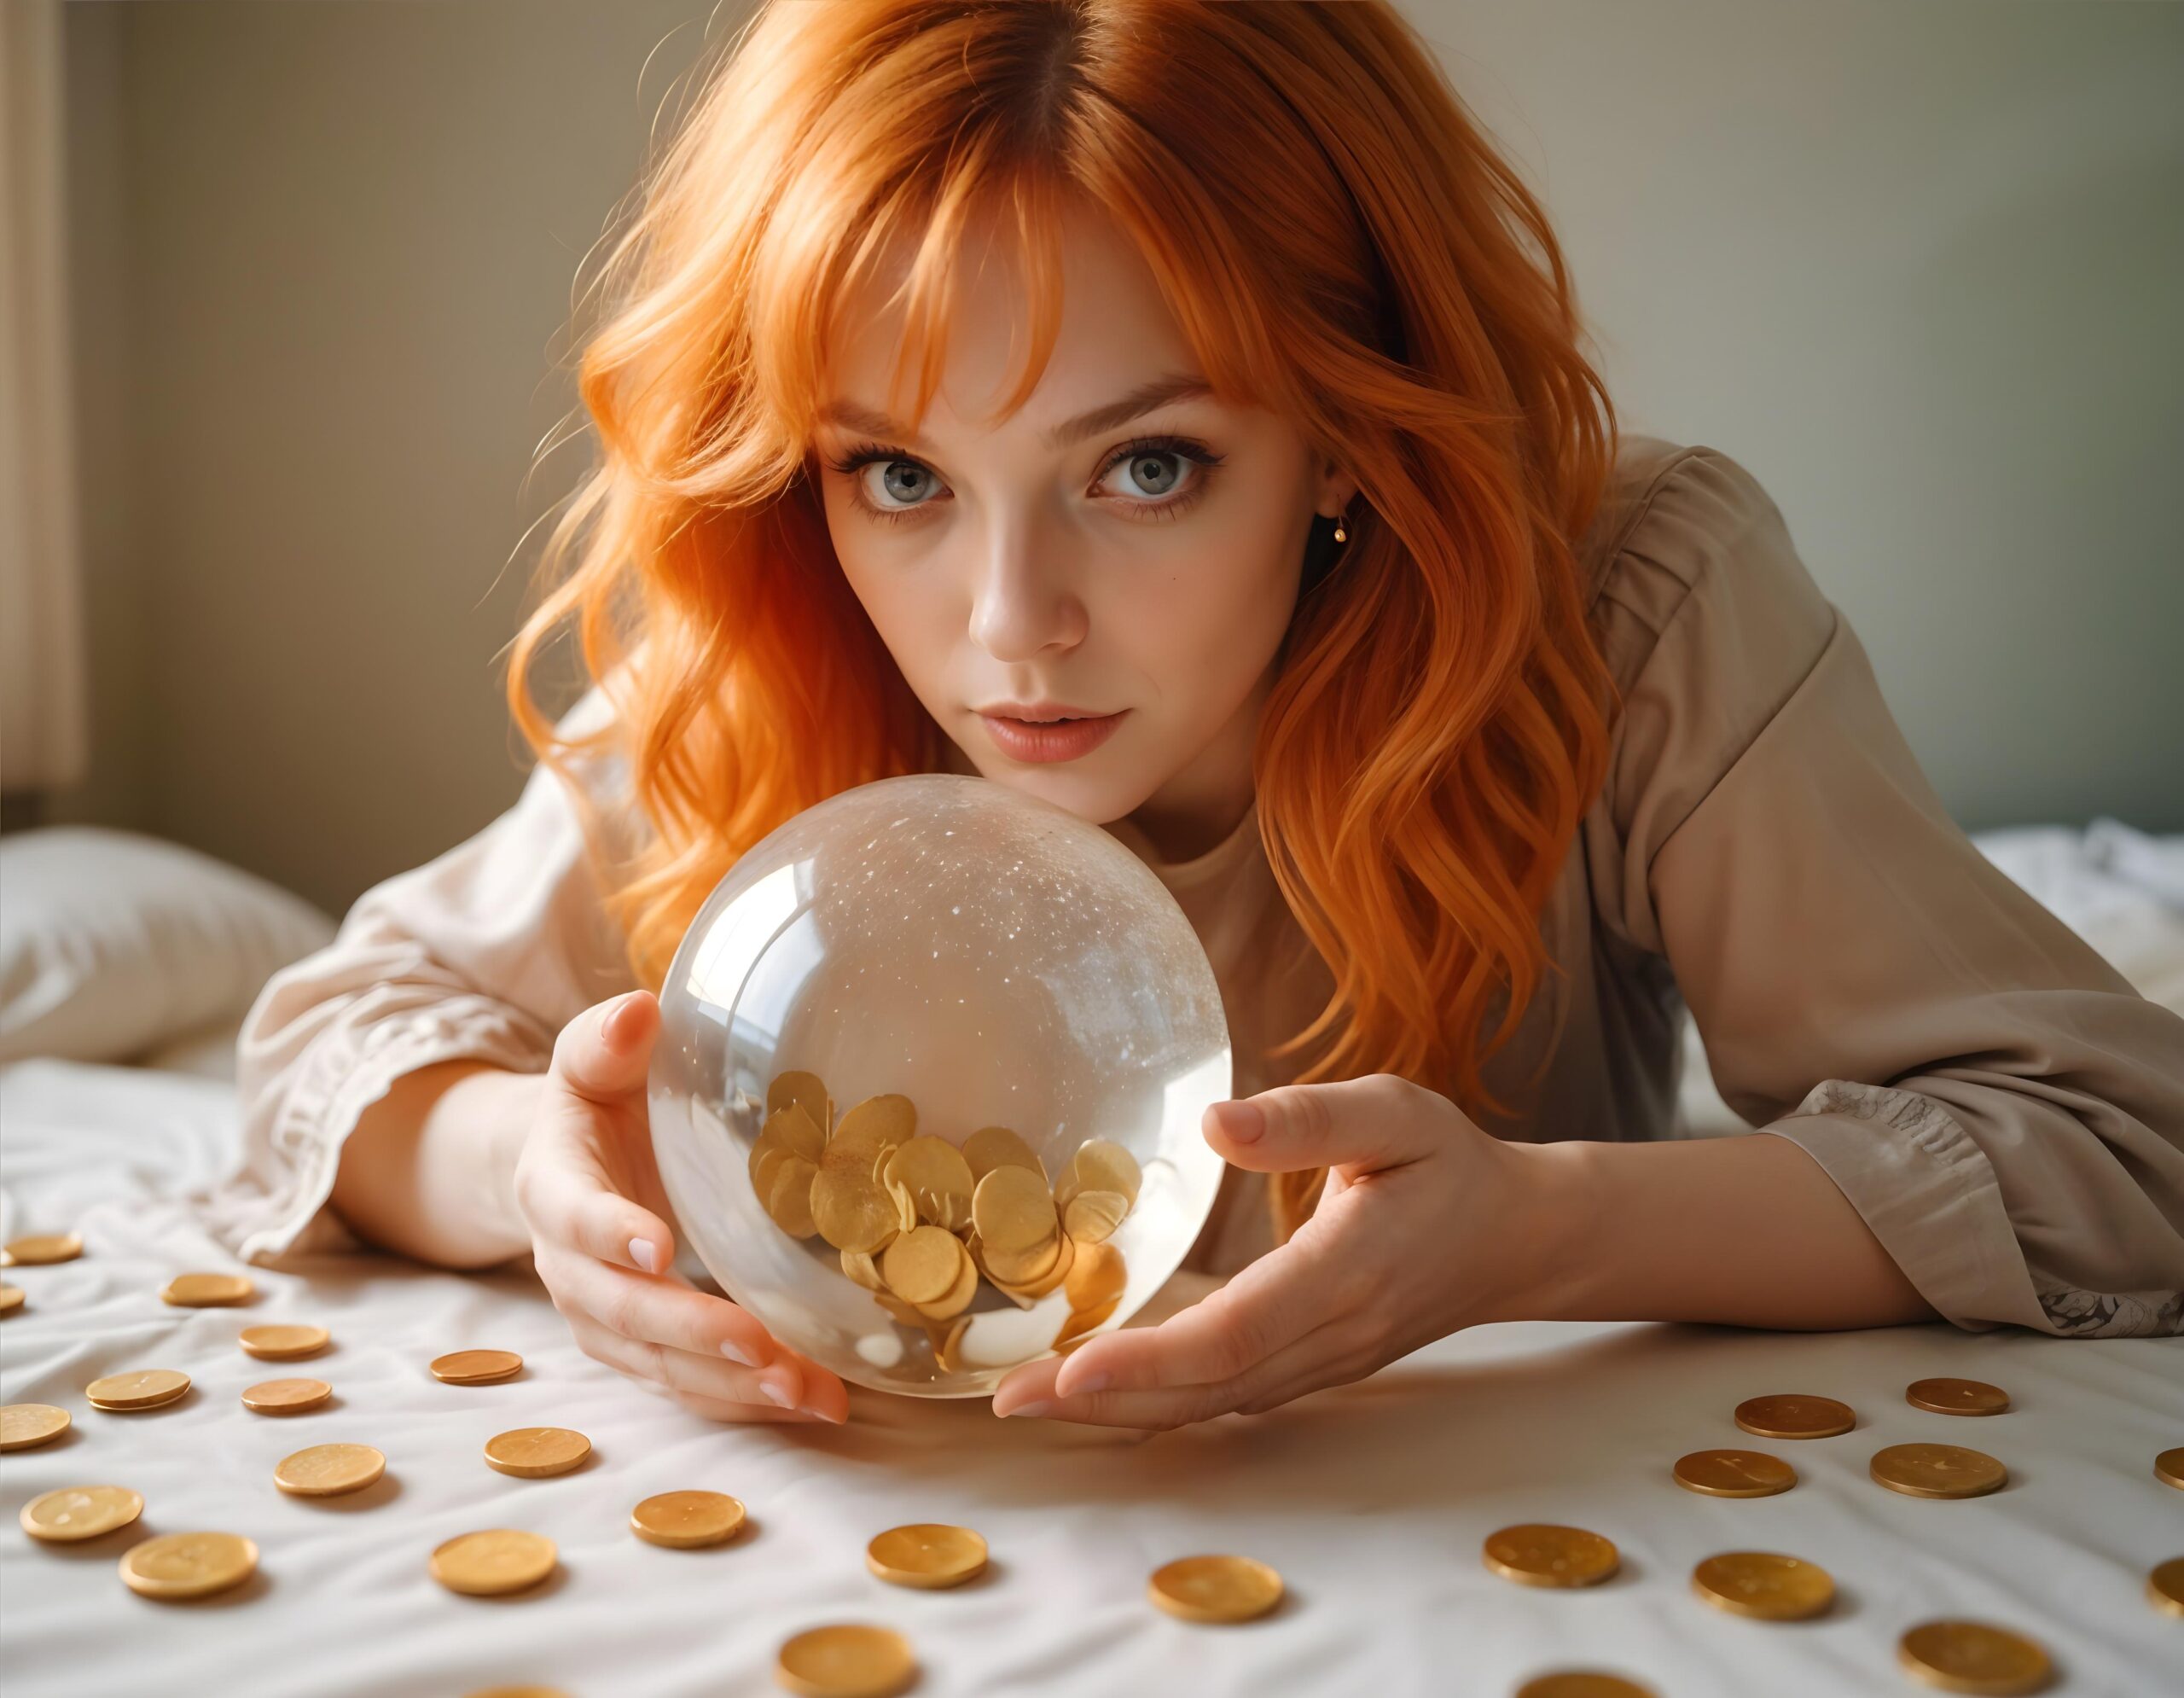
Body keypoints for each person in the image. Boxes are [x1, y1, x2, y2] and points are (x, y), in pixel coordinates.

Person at [212, 0, 2184, 1432]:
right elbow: (346, 1035)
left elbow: (2106, 1144)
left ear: (1337, 426)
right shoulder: (794, 636)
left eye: (1143, 464)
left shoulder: (1621, 596)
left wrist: (1531, 1233)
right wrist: (543, 1188)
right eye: (897, 472)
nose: (1005, 631)